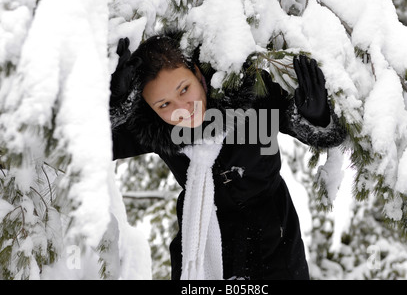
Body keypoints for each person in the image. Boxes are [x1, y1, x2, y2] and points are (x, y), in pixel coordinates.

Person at [109, 32, 346, 280]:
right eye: (164, 104)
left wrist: (317, 116)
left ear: (198, 74)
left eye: (184, 89)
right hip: (200, 230)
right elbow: (97, 143)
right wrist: (117, 104)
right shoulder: (153, 129)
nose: (182, 108)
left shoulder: (251, 92)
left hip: (272, 229)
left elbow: (304, 123)